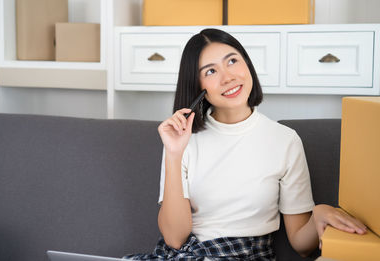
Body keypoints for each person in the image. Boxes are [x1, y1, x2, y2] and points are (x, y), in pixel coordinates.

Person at [124, 28, 367, 260]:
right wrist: (174, 154)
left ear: (247, 65)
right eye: (210, 71)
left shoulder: (285, 140)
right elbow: (175, 239)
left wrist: (319, 214)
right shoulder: (182, 141)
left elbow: (301, 246)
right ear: (198, 87)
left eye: (232, 61)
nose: (228, 77)